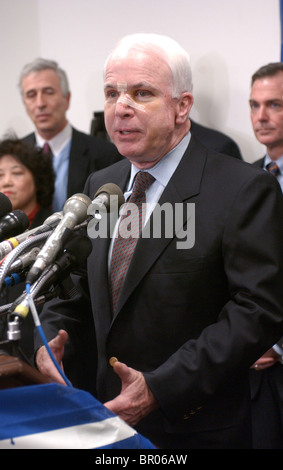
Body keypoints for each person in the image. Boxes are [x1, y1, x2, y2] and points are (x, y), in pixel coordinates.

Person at [34, 34, 283, 449]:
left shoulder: (242, 188)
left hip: (194, 427)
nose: (121, 107)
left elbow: (257, 310)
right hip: (105, 418)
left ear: (182, 106)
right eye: (112, 93)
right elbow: (77, 284)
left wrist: (161, 387)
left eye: (142, 93)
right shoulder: (103, 184)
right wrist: (54, 335)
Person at [19, 58, 122, 212]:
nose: (40, 103)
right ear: (25, 104)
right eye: (31, 95)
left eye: (48, 92)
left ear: (67, 99)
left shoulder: (105, 155)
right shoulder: (12, 157)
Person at [249, 62, 283, 449]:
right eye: (254, 105)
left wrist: (277, 344)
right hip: (250, 371)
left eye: (273, 104)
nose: (261, 116)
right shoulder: (245, 179)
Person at [0, 138, 55, 360]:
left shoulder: (52, 230)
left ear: (37, 180)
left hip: (36, 352)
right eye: (0, 174)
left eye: (17, 173)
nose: (7, 182)